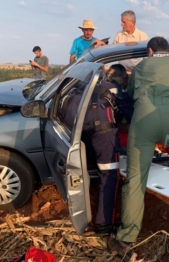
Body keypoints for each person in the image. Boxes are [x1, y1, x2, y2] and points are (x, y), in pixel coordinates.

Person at [107, 37, 169, 258]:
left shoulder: (144, 65)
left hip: (144, 119)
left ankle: (126, 237)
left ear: (150, 51)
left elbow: (132, 92)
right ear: (168, 49)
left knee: (135, 179)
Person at [61, 65, 131, 234]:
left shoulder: (88, 87)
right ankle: (104, 224)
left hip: (81, 134)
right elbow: (132, 115)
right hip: (104, 135)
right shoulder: (117, 90)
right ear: (123, 79)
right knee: (109, 175)